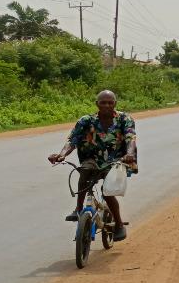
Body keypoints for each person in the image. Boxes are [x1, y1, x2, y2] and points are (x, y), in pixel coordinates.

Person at [48, 90, 137, 241]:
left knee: (107, 191)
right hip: (91, 157)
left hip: (116, 160)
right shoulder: (86, 120)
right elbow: (72, 140)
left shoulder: (124, 119)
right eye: (103, 102)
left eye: (110, 102)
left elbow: (130, 139)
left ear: (115, 103)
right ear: (97, 104)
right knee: (85, 171)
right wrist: (62, 154)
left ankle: (119, 224)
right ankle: (78, 209)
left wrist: (129, 154)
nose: (107, 105)